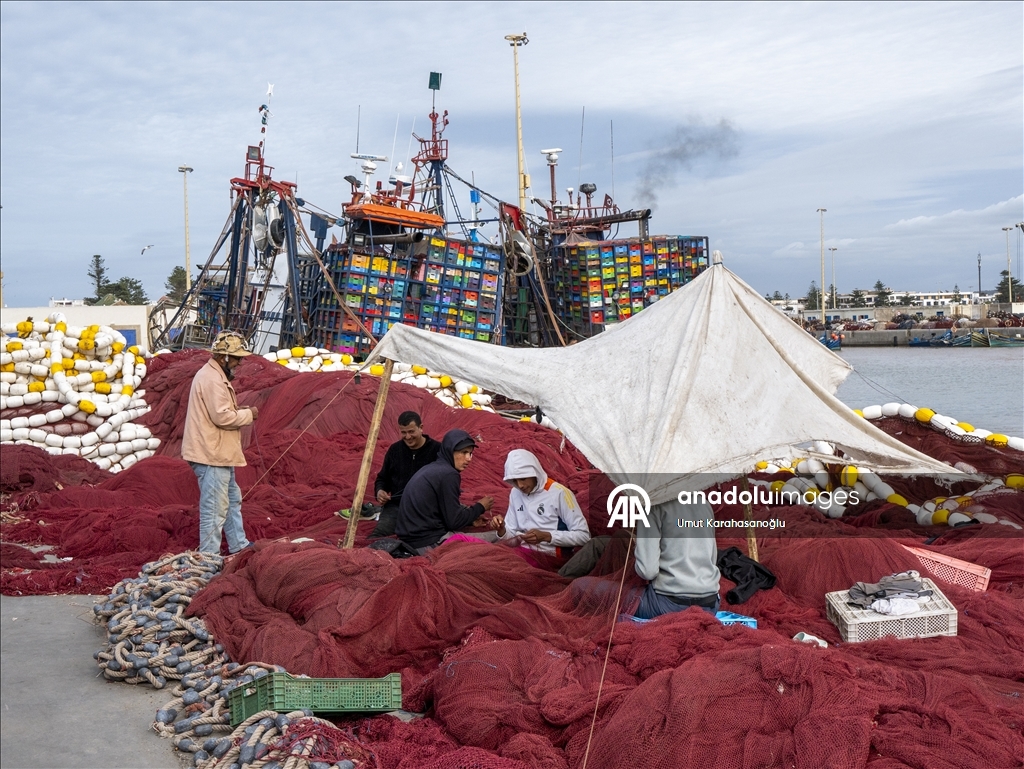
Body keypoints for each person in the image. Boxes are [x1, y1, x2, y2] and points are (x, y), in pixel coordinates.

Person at [181, 331, 258, 555]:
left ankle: (239, 545)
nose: (239, 363)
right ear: (223, 357)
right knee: (214, 508)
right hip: (210, 455)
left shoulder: (215, 376)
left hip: (219, 453)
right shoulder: (212, 379)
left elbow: (220, 412)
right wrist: (249, 415)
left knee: (232, 500)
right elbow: (222, 418)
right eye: (236, 358)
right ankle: (208, 557)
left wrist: (239, 411)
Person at [395, 429, 494, 555]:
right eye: (463, 452)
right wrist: (480, 507)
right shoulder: (449, 474)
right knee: (498, 538)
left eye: (470, 453)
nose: (468, 458)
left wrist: (470, 519)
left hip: (410, 541)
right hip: (428, 544)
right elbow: (454, 522)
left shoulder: (434, 468)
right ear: (450, 450)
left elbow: (443, 510)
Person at [489, 449, 590, 556]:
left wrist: (547, 536)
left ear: (535, 473)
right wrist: (502, 529)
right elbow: (512, 534)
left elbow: (583, 536)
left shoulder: (560, 493)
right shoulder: (515, 493)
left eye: (523, 478)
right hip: (522, 552)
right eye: (514, 480)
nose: (520, 485)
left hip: (550, 556)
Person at [633, 500, 721, 619]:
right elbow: (712, 559)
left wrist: (639, 552)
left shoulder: (654, 505)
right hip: (710, 606)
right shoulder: (704, 504)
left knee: (600, 589)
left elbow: (647, 572)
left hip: (667, 606)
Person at [370, 411, 441, 538]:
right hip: (397, 507)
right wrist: (380, 491)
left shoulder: (437, 450)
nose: (408, 437)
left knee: (426, 538)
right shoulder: (395, 450)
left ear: (421, 428)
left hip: (426, 509)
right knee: (378, 536)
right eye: (403, 432)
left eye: (411, 431)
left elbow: (446, 482)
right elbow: (382, 478)